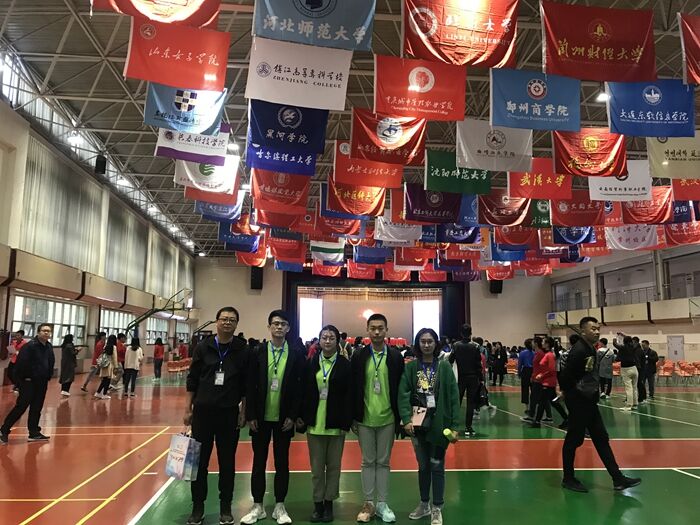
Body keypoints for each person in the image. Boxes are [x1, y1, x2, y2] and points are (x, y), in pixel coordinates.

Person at [560, 317, 641, 493]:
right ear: (583, 331)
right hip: (579, 403)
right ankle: (568, 478)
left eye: (598, 328)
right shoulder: (579, 350)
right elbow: (565, 377)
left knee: (601, 438)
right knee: (573, 440)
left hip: (589, 402)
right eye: (593, 329)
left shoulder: (590, 347)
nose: (597, 332)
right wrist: (573, 398)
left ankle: (618, 478)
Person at [184, 306, 249, 525]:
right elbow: (192, 379)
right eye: (224, 319)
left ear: (236, 324)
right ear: (217, 321)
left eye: (232, 320)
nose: (227, 322)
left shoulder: (242, 349)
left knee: (227, 463)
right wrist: (187, 409)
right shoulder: (203, 347)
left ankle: (225, 508)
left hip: (228, 414)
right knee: (199, 464)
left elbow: (245, 384)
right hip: (202, 413)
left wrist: (243, 411)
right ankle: (197, 508)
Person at [241, 310, 304, 525]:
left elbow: (298, 388)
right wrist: (250, 414)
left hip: (283, 419)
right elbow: (249, 384)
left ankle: (279, 505)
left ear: (288, 328)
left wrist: (293, 415)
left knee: (282, 462)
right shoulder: (257, 352)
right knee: (258, 462)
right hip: (260, 418)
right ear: (269, 327)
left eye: (283, 324)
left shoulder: (296, 354)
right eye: (275, 323)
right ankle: (257, 505)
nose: (279, 327)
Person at [399, 328, 459, 525]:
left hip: (439, 425)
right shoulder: (411, 367)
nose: (426, 345)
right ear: (418, 344)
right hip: (418, 425)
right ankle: (424, 504)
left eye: (430, 341)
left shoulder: (444, 367)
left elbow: (453, 396)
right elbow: (403, 394)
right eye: (423, 341)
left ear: (435, 344)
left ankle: (437, 507)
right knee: (423, 466)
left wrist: (455, 425)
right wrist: (406, 419)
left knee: (437, 465)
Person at [351, 313, 404, 523]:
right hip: (365, 418)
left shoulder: (395, 357)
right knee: (367, 461)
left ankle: (382, 503)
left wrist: (401, 417)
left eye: (380, 328)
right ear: (367, 330)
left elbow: (401, 388)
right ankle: (368, 504)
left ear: (386, 330)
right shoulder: (359, 356)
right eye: (373, 328)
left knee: (383, 462)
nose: (376, 332)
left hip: (388, 419)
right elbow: (354, 387)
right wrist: (353, 416)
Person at [298, 324, 352, 523]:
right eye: (324, 337)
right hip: (315, 424)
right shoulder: (310, 363)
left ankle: (329, 503)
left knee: (334, 467)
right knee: (317, 469)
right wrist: (301, 416)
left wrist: (347, 421)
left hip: (336, 425)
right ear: (319, 341)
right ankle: (317, 504)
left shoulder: (345, 365)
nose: (327, 341)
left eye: (331, 338)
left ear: (337, 341)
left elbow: (349, 395)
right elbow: (303, 391)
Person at [1, 323, 54, 444]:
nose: (46, 333)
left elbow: (50, 361)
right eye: (44, 330)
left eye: (48, 331)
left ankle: (34, 432)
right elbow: (21, 364)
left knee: (37, 407)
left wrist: (48, 375)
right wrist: (23, 379)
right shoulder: (30, 346)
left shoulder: (48, 346)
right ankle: (3, 430)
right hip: (28, 381)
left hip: (42, 381)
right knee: (21, 406)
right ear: (38, 332)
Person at [449, 324, 482, 437]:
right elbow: (478, 364)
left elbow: (450, 360)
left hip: (460, 377)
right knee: (470, 403)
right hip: (473, 377)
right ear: (471, 333)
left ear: (461, 333)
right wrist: (481, 379)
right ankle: (468, 426)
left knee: (456, 402)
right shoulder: (476, 346)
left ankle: (454, 425)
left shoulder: (456, 345)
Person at [614, 334, 638, 411]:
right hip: (634, 368)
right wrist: (623, 335)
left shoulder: (623, 348)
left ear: (624, 341)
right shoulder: (634, 347)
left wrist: (615, 338)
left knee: (628, 388)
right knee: (634, 387)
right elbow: (630, 339)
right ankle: (635, 404)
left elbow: (615, 344)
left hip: (626, 369)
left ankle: (628, 405)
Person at [94, 335, 118, 400]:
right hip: (110, 365)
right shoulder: (114, 347)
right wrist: (116, 366)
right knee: (107, 381)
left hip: (104, 365)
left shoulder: (105, 346)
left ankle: (99, 393)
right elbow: (114, 358)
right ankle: (103, 394)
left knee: (104, 380)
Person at [517, 339, 535, 415]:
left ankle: (527, 407)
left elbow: (519, 364)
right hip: (533, 371)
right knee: (533, 390)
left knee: (525, 390)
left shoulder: (522, 353)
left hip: (525, 371)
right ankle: (533, 406)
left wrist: (519, 373)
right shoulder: (534, 353)